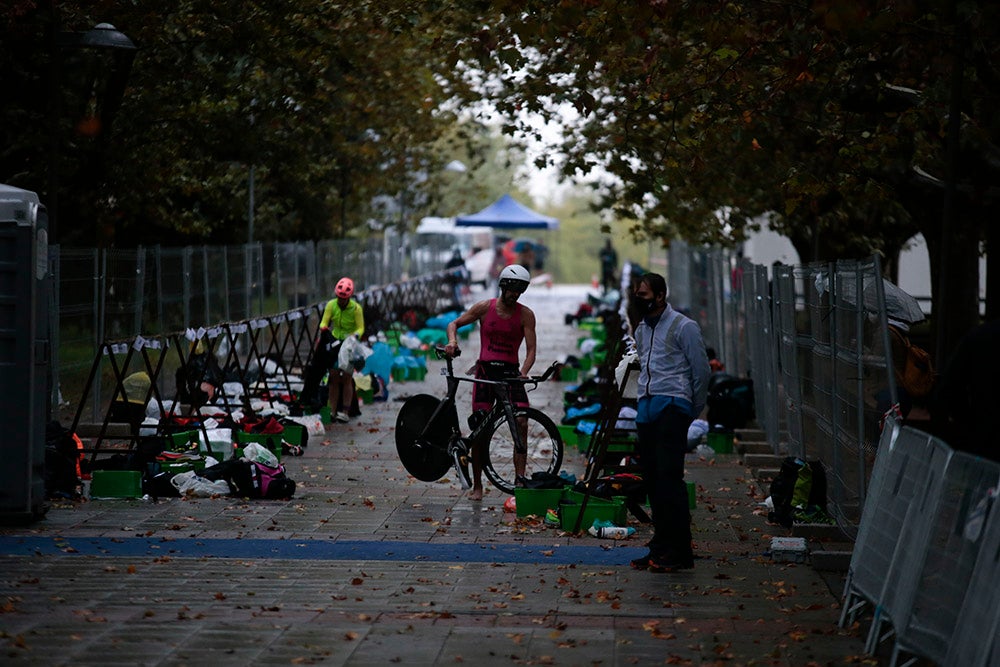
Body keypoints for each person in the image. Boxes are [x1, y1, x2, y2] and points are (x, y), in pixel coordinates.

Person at [630, 272, 711, 572]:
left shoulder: (683, 326)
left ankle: (679, 551)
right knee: (652, 481)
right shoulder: (641, 329)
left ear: (660, 295)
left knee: (669, 480)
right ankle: (660, 546)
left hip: (673, 407)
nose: (639, 300)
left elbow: (701, 371)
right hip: (647, 410)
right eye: (637, 294)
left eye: (644, 295)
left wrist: (691, 409)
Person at [444, 264, 537, 501]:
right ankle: (477, 486)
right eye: (513, 289)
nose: (516, 295)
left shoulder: (526, 315)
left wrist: (524, 371)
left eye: (520, 291)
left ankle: (519, 478)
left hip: (511, 374)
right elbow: (453, 324)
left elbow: (531, 349)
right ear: (503, 286)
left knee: (522, 422)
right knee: (480, 428)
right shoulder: (485, 308)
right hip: (485, 373)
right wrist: (452, 342)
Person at [317, 277, 365, 423]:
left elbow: (361, 327)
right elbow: (324, 321)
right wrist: (324, 328)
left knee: (347, 378)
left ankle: (344, 411)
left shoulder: (356, 309)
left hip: (349, 345)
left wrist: (356, 335)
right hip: (335, 343)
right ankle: (332, 410)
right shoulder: (331, 305)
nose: (342, 302)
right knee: (333, 378)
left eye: (344, 299)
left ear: (349, 298)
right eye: (339, 298)